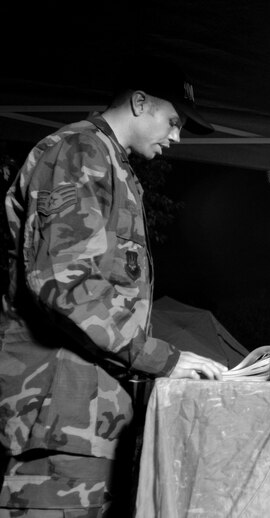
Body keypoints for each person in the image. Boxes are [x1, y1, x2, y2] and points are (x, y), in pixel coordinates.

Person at [0, 59, 227, 517]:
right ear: (139, 102)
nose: (177, 137)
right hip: (56, 421)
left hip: (92, 423)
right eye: (174, 121)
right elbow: (64, 283)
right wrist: (164, 359)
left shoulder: (112, 165)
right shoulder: (77, 152)